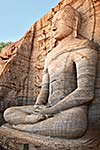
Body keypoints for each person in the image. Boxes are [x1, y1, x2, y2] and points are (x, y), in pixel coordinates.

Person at [3, 5, 98, 138]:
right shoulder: (51, 55)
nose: (53, 28)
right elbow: (44, 89)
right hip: (48, 108)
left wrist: (52, 110)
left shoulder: (84, 49)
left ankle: (25, 127)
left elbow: (85, 92)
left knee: (71, 126)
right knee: (9, 113)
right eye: (52, 23)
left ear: (74, 22)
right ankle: (30, 123)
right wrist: (37, 108)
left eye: (58, 21)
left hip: (70, 112)